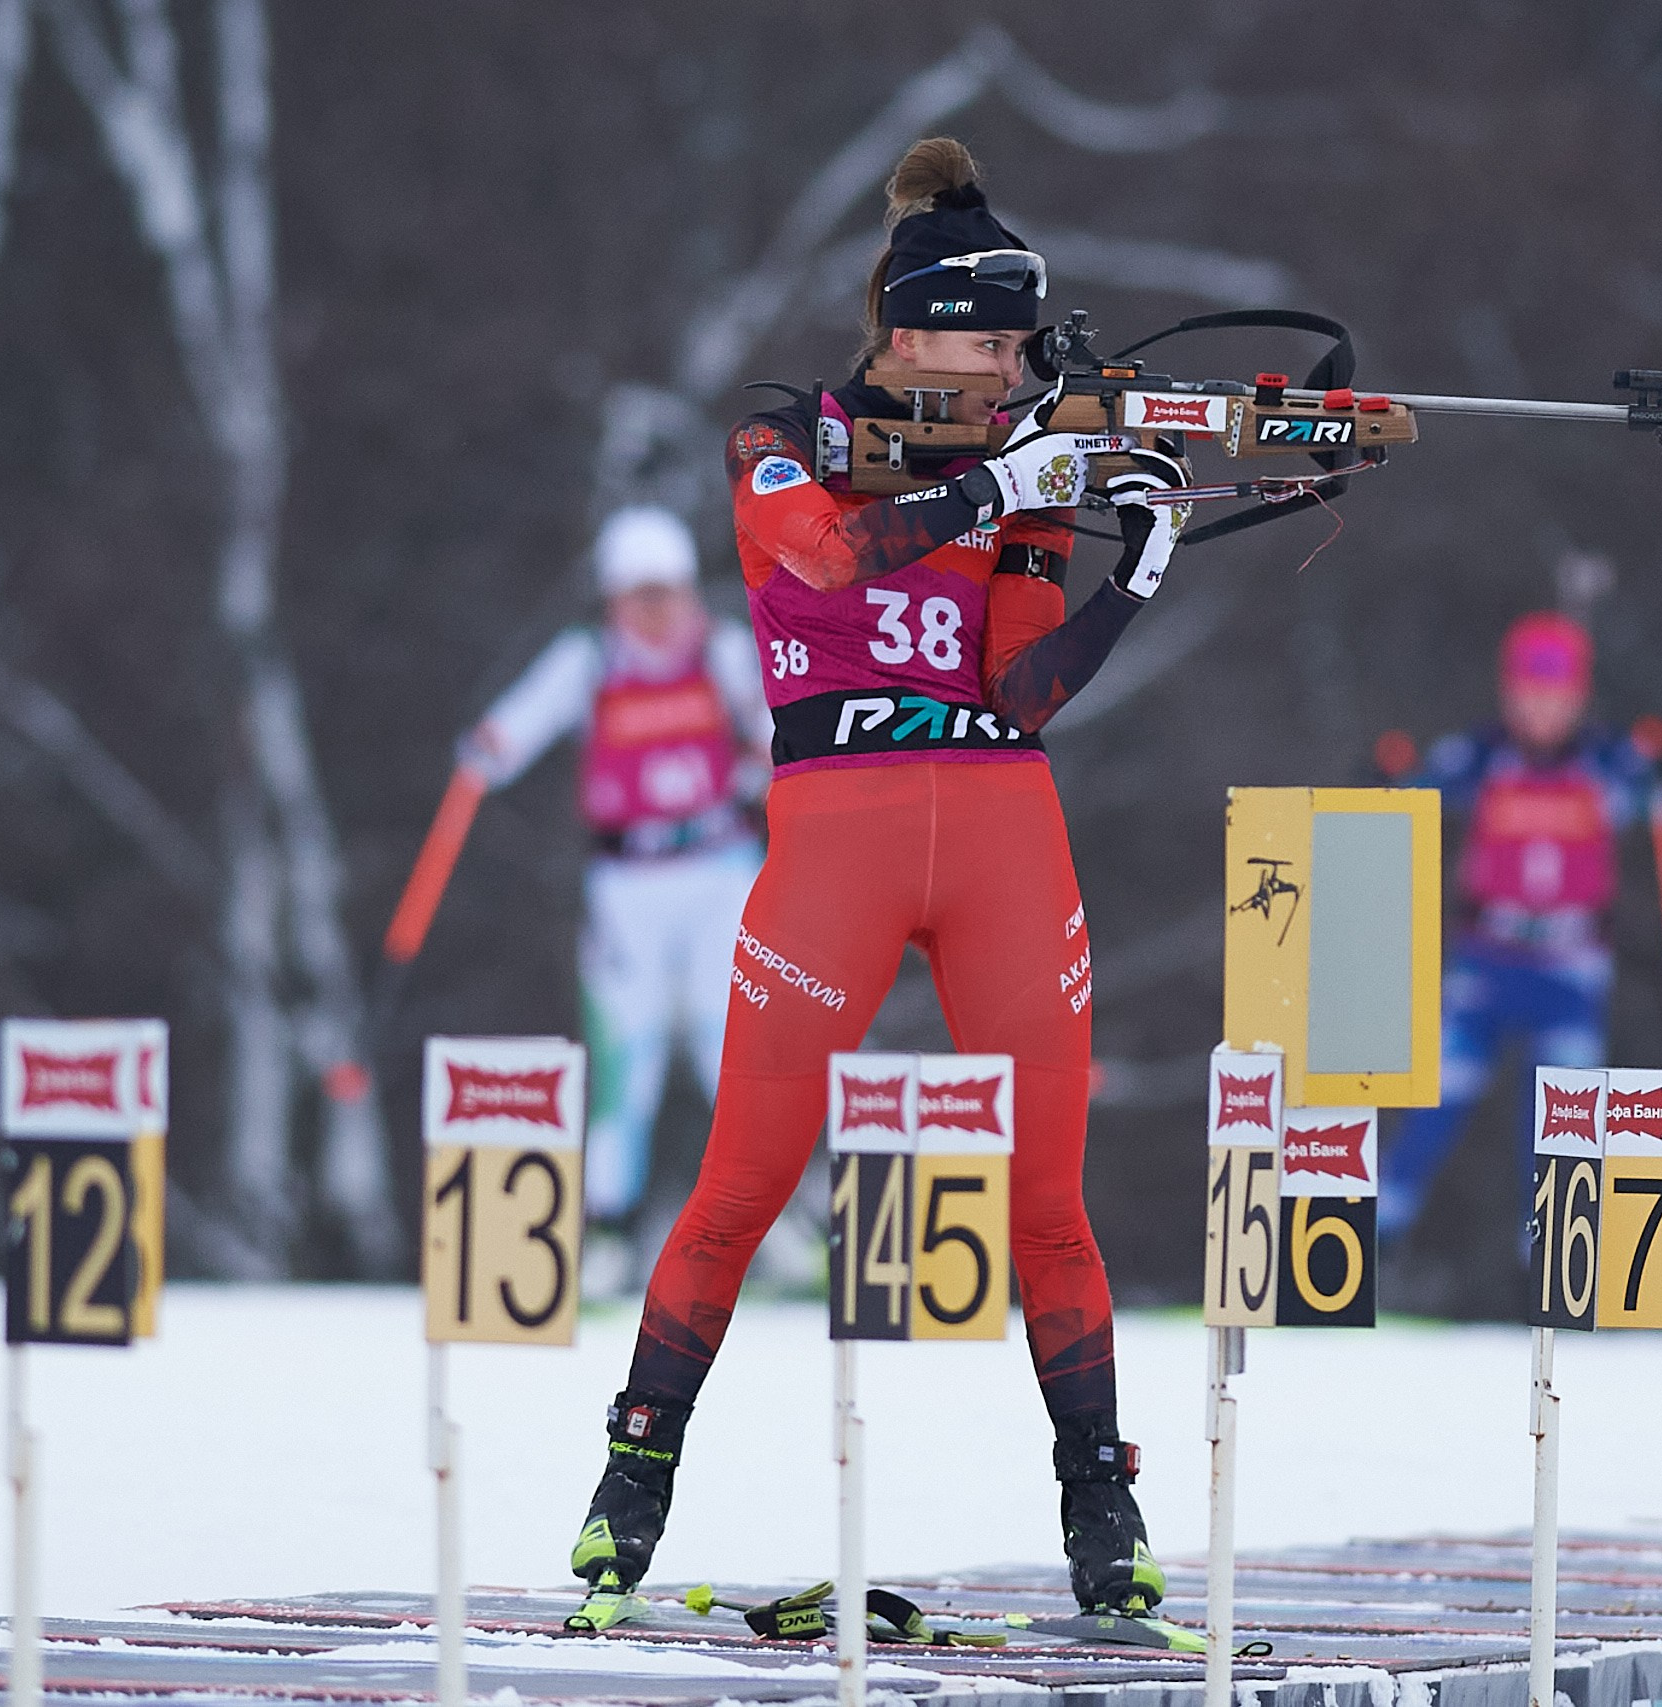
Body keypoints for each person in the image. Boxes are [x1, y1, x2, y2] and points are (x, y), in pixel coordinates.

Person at [567, 136, 1191, 1625]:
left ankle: (1106, 1523)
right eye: (985, 341)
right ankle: (622, 1499)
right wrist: (1002, 482)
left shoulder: (1026, 467)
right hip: (834, 834)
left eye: (1019, 347)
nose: (1005, 367)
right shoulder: (783, 435)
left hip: (1001, 825)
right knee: (740, 1179)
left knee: (1052, 1199)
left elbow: (1020, 685)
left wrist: (1135, 563)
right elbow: (824, 557)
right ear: (908, 328)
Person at [458, 505, 773, 1292]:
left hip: (719, 870)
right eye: (640, 595)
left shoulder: (725, 651)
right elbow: (511, 730)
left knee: (732, 1049)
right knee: (624, 1059)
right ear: (612, 599)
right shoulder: (591, 660)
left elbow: (785, 734)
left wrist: (766, 766)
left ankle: (788, 1224)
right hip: (627, 884)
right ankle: (607, 1231)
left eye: (667, 592)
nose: (658, 611)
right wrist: (488, 750)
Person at [1372, 611, 1662, 1251]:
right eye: (1527, 696)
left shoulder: (1607, 761)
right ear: (1508, 694)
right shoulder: (1483, 755)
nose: (1539, 711)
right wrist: (1385, 777)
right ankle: (1373, 1233)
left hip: (1570, 969)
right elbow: (1406, 795)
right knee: (1437, 1098)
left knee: (1560, 1119)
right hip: (1485, 963)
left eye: (1554, 698)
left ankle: (1551, 1256)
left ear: (1578, 698)